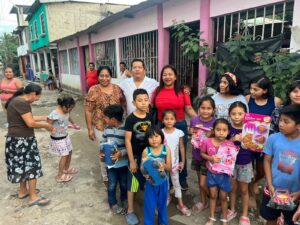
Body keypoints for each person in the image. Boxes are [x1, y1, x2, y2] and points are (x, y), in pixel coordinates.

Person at [4, 83, 54, 206]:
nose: (36, 100)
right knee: (32, 166)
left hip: (16, 140)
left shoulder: (16, 101)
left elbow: (28, 118)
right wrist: (47, 126)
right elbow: (30, 123)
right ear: (32, 94)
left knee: (22, 166)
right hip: (23, 140)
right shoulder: (22, 103)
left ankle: (23, 191)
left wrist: (44, 117)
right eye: (37, 98)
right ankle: (33, 197)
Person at [152, 64, 196, 190]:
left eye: (170, 74)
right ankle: (167, 180)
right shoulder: (157, 91)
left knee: (180, 153)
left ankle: (182, 179)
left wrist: (199, 121)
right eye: (164, 74)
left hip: (179, 125)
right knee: (164, 153)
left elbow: (188, 108)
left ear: (175, 76)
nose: (167, 77)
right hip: (161, 126)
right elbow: (151, 108)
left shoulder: (182, 91)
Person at [84, 66, 126, 187]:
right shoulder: (93, 90)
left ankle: (119, 174)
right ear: (98, 77)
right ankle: (106, 178)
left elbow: (123, 105)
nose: (104, 78)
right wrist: (89, 129)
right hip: (100, 127)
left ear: (110, 76)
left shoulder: (117, 89)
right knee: (104, 152)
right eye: (101, 75)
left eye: (107, 75)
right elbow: (87, 110)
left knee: (119, 150)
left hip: (118, 127)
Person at [245, 76, 282, 210]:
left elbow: (279, 121)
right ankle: (250, 196)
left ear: (265, 90)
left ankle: (254, 181)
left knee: (262, 170)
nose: (252, 91)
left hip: (266, 145)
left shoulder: (276, 101)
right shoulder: (248, 99)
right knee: (248, 170)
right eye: (251, 88)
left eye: (256, 89)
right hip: (248, 142)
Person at [260, 105, 300, 225]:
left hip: (294, 193)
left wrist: (299, 192)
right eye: (280, 120)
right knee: (270, 218)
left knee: (291, 220)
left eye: (286, 122)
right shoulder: (273, 138)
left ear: (298, 125)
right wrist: (270, 184)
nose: (281, 124)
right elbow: (267, 160)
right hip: (272, 190)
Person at [124, 88, 153, 225]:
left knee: (149, 182)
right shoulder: (130, 119)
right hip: (135, 156)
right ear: (133, 102)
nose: (143, 103)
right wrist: (131, 161)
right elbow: (127, 141)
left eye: (146, 100)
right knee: (133, 185)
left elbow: (154, 137)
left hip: (148, 156)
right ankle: (130, 210)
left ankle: (151, 207)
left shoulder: (150, 117)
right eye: (140, 100)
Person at [201, 119, 234, 225]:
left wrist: (230, 169)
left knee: (224, 197)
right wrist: (210, 158)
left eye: (224, 130)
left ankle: (224, 218)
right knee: (213, 195)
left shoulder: (230, 144)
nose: (221, 132)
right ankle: (212, 217)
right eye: (218, 129)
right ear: (213, 130)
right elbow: (202, 153)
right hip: (211, 173)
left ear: (228, 132)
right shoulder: (207, 141)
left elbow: (231, 159)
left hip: (224, 175)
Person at [99, 104, 128, 215]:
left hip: (124, 163)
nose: (104, 119)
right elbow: (102, 141)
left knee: (124, 184)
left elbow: (129, 146)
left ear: (113, 119)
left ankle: (124, 199)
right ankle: (113, 203)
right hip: (110, 165)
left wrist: (121, 153)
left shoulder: (126, 129)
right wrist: (101, 152)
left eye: (106, 117)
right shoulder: (107, 129)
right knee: (111, 184)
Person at [162, 109, 191, 216]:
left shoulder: (179, 133)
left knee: (176, 184)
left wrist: (182, 161)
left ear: (175, 120)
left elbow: (182, 148)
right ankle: (167, 197)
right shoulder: (161, 133)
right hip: (163, 165)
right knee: (165, 183)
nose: (169, 121)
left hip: (175, 164)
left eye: (171, 119)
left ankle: (180, 204)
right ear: (163, 120)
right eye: (166, 119)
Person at [189, 96, 216, 213]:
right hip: (196, 155)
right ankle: (203, 201)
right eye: (203, 108)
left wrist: (213, 134)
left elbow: (221, 138)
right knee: (200, 180)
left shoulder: (215, 122)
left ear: (213, 110)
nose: (205, 111)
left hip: (209, 157)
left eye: (209, 108)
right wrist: (191, 131)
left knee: (203, 183)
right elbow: (192, 133)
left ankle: (214, 198)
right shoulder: (194, 120)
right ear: (199, 108)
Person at [228, 101, 252, 225]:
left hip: (245, 163)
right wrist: (233, 139)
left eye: (240, 114)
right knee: (232, 188)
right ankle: (232, 210)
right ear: (229, 115)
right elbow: (222, 144)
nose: (237, 116)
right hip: (230, 164)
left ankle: (244, 215)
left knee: (244, 190)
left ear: (245, 114)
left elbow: (257, 145)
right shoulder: (227, 128)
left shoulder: (251, 128)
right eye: (233, 114)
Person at [142, 126, 172, 225]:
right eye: (151, 137)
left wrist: (163, 166)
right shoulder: (146, 151)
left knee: (162, 204)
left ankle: (163, 222)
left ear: (161, 137)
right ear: (147, 139)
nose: (154, 139)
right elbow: (142, 168)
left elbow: (170, 167)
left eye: (156, 136)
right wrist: (146, 175)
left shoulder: (166, 149)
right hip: (150, 183)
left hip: (163, 182)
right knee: (149, 205)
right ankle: (148, 223)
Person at [47, 95, 78, 183]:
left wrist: (73, 124)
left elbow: (68, 116)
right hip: (57, 138)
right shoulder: (54, 114)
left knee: (70, 151)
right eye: (69, 108)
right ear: (64, 106)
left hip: (65, 135)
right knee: (64, 155)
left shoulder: (67, 111)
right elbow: (48, 124)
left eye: (72, 108)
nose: (70, 110)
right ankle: (59, 176)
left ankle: (66, 169)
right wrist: (51, 129)